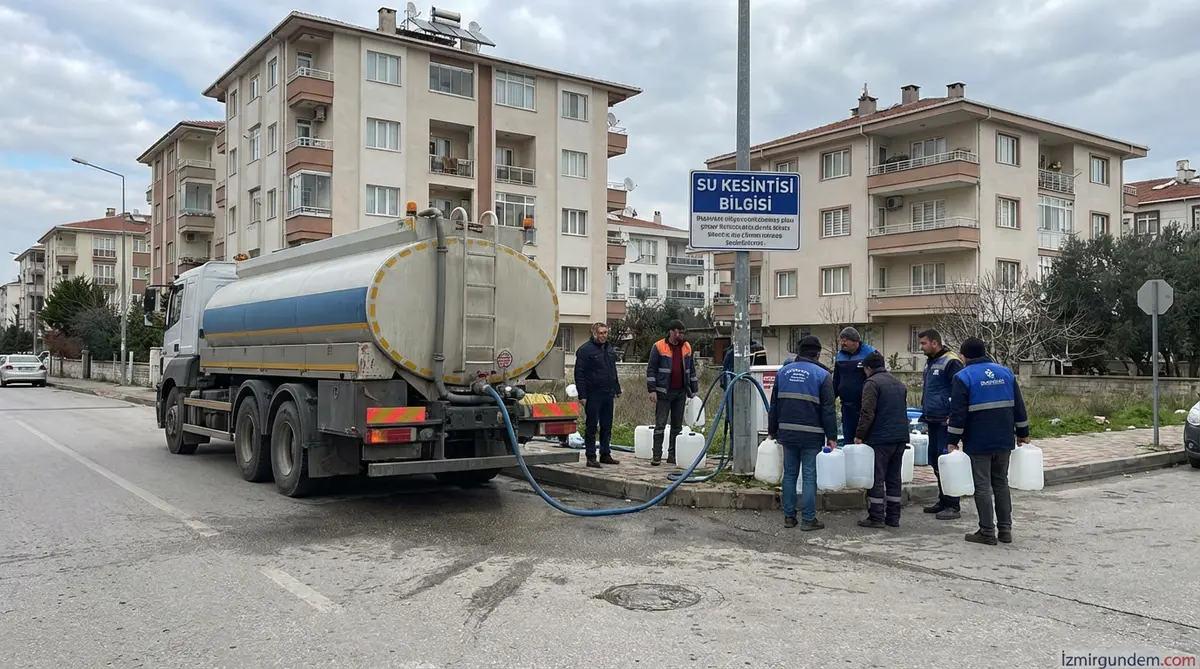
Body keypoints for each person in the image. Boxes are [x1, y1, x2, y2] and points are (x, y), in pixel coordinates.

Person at [946, 337, 1031, 546]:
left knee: (982, 485)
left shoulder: (962, 377)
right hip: (1004, 438)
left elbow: (958, 414)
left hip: (978, 439)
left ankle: (986, 531)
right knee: (1001, 482)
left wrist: (952, 440)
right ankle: (1005, 530)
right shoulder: (1005, 373)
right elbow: (1019, 407)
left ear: (964, 356)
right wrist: (1023, 433)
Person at [767, 335, 837, 530]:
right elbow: (828, 410)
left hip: (787, 432)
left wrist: (772, 430)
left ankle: (789, 517)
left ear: (799, 351)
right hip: (811, 434)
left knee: (789, 474)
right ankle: (808, 519)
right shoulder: (822, 375)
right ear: (817, 353)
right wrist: (832, 436)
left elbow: (774, 405)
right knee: (809, 476)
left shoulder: (783, 373)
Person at [853, 351, 909, 529]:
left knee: (877, 477)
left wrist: (860, 435)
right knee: (894, 478)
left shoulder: (871, 383)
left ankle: (876, 516)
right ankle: (893, 517)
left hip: (881, 438)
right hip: (900, 437)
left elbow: (867, 412)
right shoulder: (898, 383)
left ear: (868, 368)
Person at [917, 328, 965, 520]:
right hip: (933, 419)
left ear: (935, 343)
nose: (921, 347)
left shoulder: (950, 361)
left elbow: (958, 391)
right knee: (936, 461)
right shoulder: (931, 362)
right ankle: (943, 499)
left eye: (923, 344)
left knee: (947, 461)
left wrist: (952, 415)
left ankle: (953, 504)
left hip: (945, 420)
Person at [646, 320, 699, 466]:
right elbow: (651, 369)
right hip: (663, 392)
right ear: (671, 332)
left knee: (677, 426)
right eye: (678, 332)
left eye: (682, 332)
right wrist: (652, 390)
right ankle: (656, 455)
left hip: (681, 392)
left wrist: (694, 388)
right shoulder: (659, 347)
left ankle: (672, 455)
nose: (681, 335)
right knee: (660, 424)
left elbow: (691, 369)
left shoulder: (687, 347)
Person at [573, 322, 622, 468]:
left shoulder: (610, 349)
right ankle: (591, 456)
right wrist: (582, 395)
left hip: (608, 393)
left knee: (607, 425)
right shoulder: (585, 350)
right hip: (593, 394)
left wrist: (617, 388)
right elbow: (579, 374)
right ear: (594, 333)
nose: (603, 335)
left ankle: (605, 454)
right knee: (592, 426)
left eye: (606, 332)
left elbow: (613, 371)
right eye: (601, 333)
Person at [832, 327, 877, 445]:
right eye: (841, 340)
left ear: (855, 341)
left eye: (845, 340)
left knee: (864, 438)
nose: (842, 343)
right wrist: (830, 398)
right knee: (848, 438)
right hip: (846, 405)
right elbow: (836, 380)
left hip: (865, 405)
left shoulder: (870, 353)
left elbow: (878, 376)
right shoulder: (840, 356)